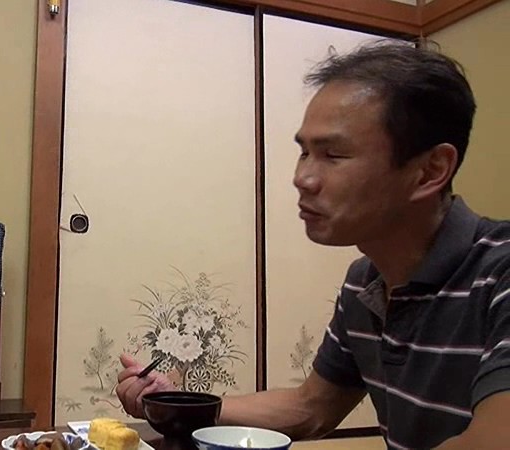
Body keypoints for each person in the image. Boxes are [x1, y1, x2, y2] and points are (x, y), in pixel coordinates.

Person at [117, 42, 510, 449]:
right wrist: (175, 403)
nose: (302, 177)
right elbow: (311, 408)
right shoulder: (365, 283)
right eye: (304, 152)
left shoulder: (500, 274)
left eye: (332, 154)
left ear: (430, 171)